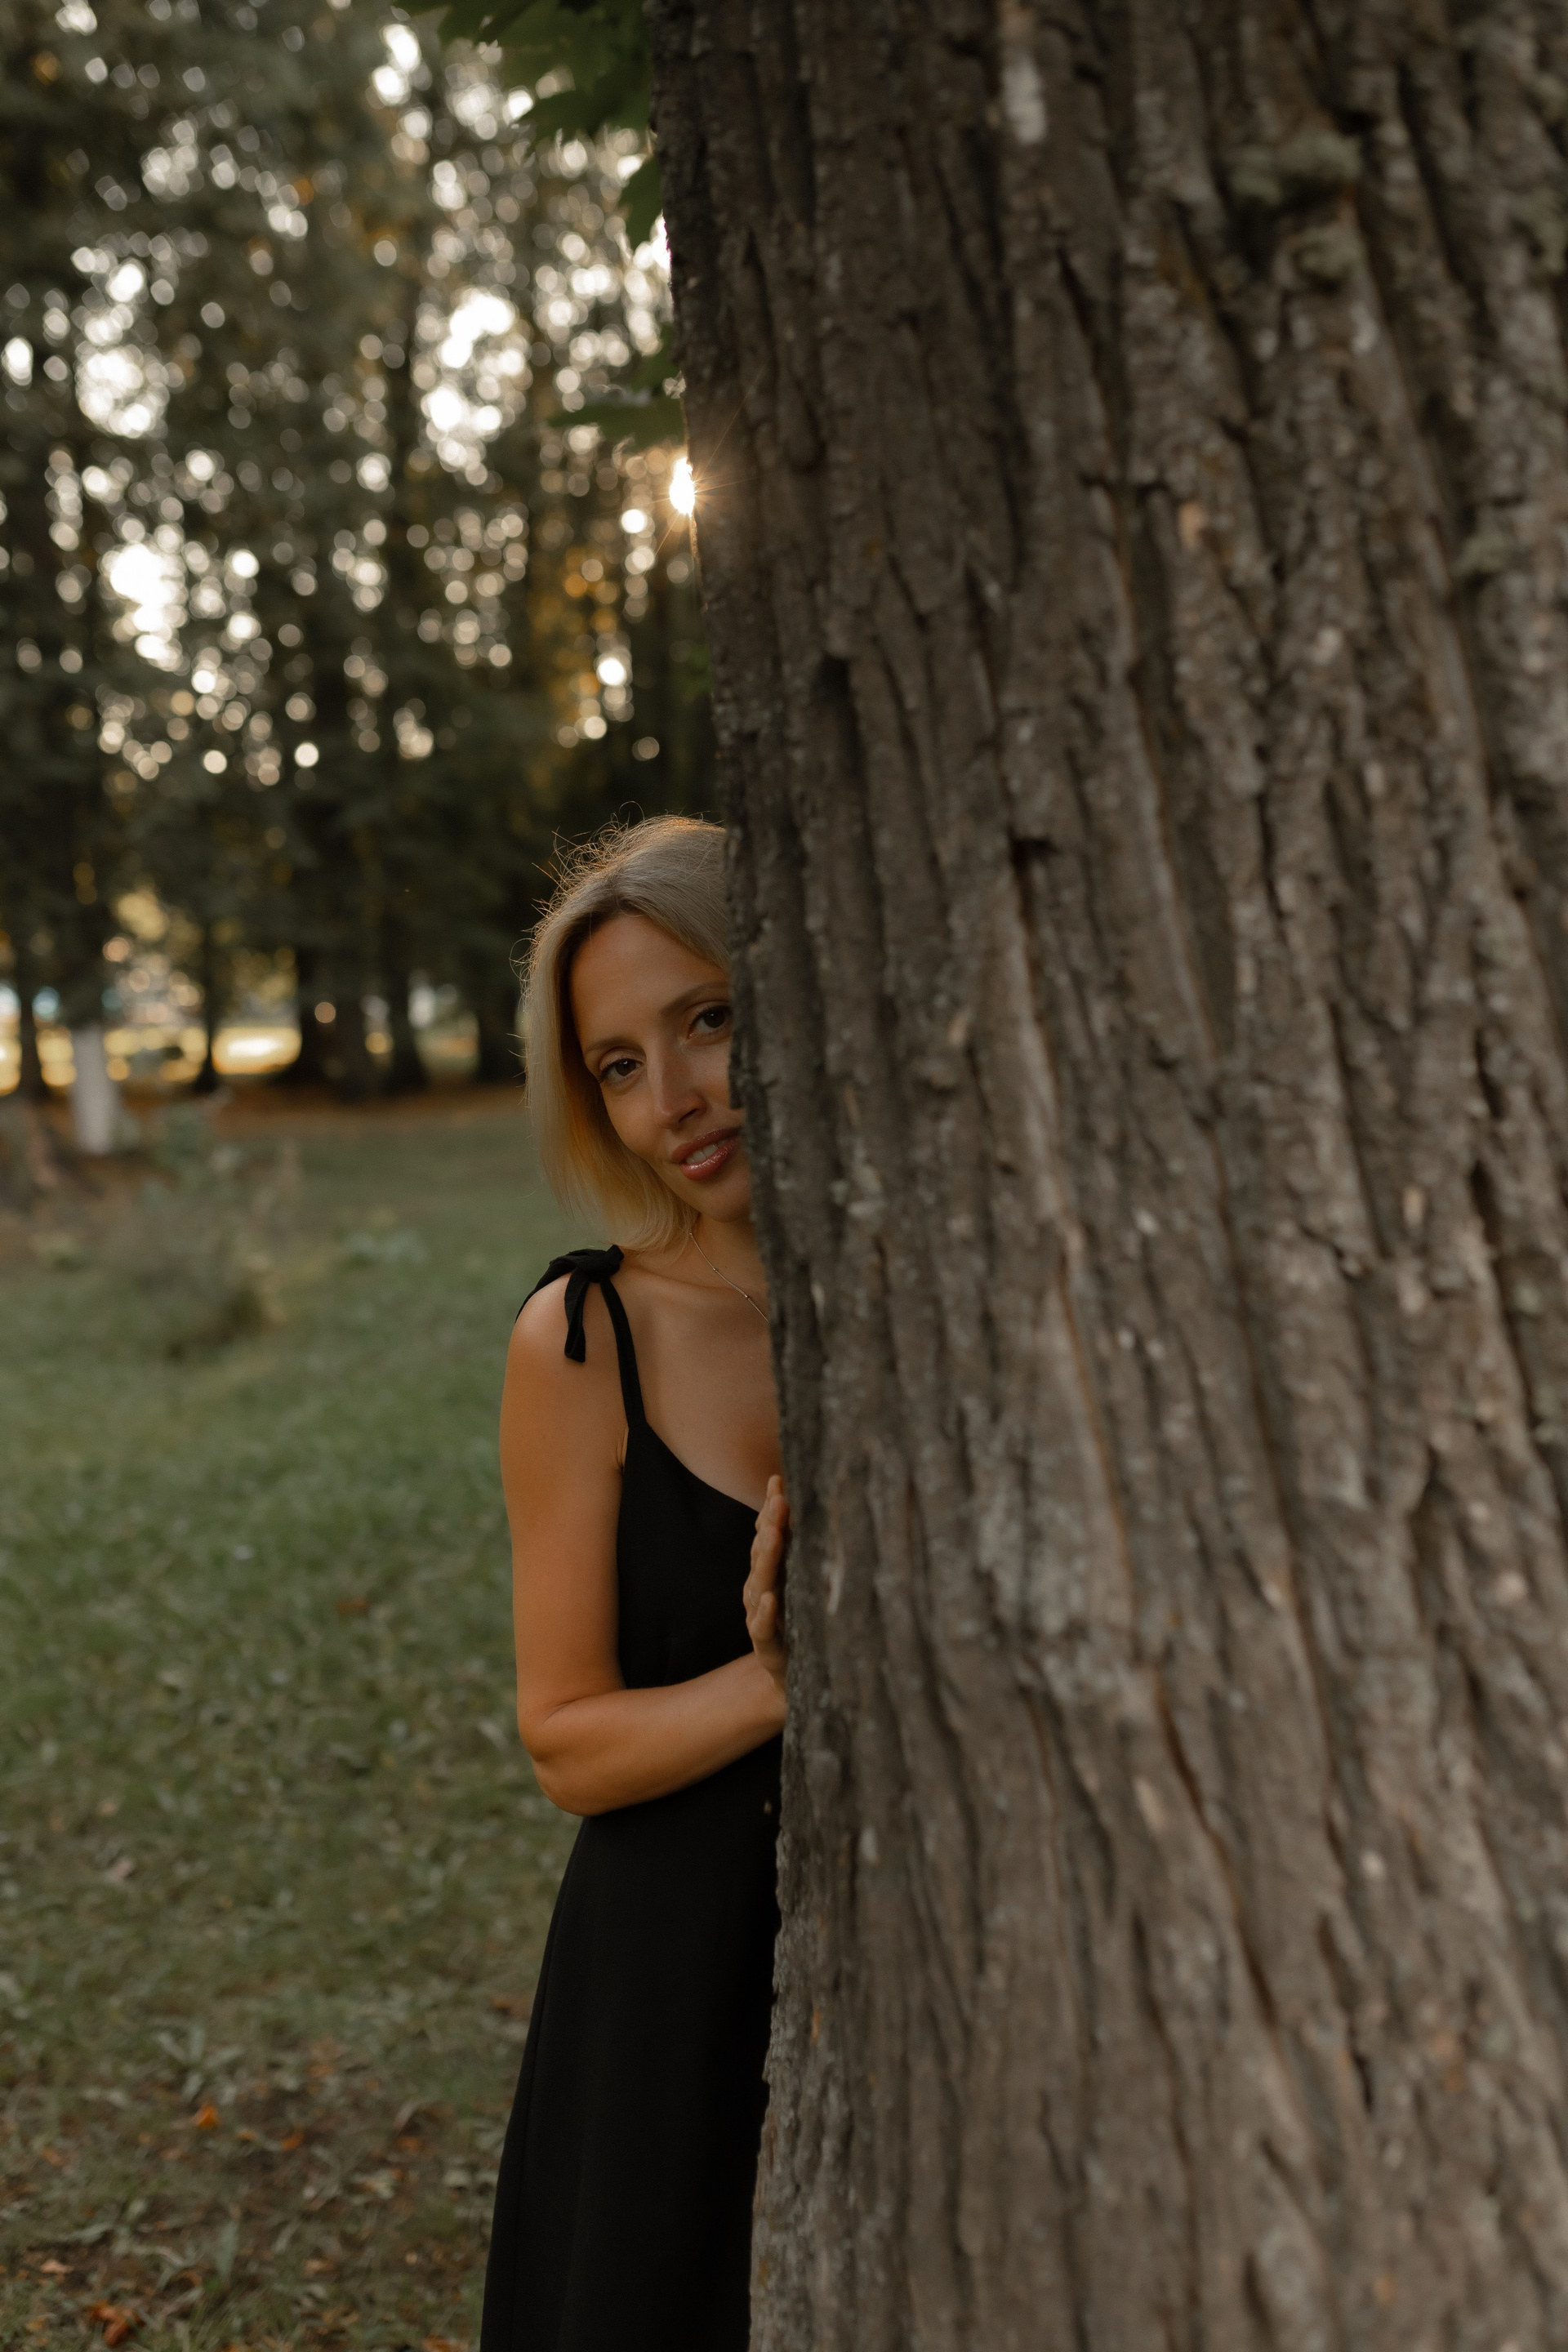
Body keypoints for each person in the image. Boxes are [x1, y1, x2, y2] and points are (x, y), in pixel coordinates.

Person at [481, 816, 789, 2352]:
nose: (673, 1100)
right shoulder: (583, 1341)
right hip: (674, 1985)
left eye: (707, 1019)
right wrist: (785, 1678)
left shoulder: (947, 1288)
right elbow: (566, 1740)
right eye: (617, 1064)